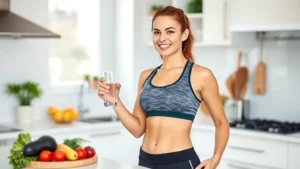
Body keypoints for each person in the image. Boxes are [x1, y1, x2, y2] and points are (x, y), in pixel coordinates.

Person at [98, 5, 230, 169]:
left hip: (180, 163)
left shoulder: (201, 75)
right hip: (145, 161)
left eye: (170, 31)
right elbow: (138, 129)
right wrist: (114, 101)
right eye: (156, 32)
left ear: (184, 34)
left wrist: (215, 159)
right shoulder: (146, 76)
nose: (162, 38)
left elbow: (221, 122)